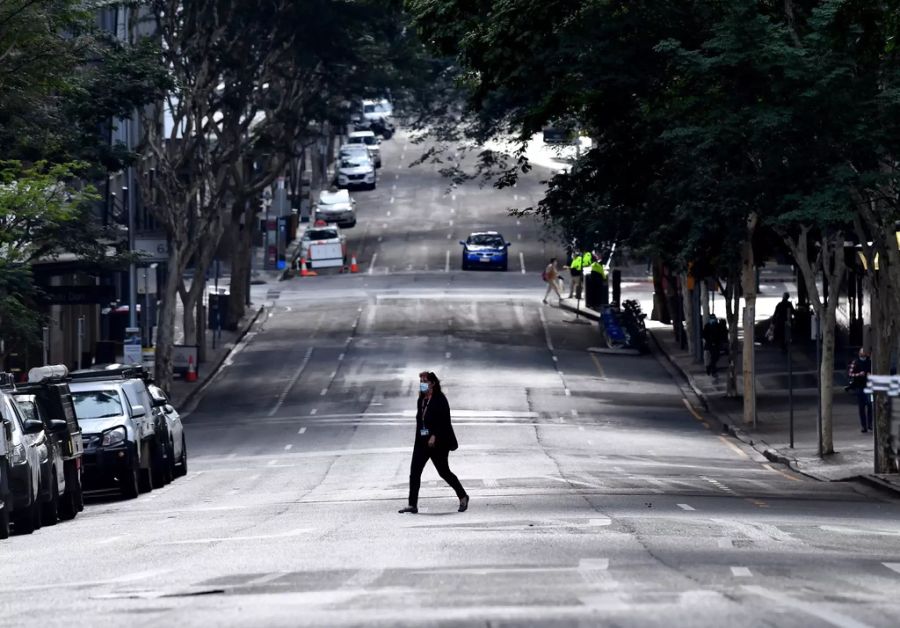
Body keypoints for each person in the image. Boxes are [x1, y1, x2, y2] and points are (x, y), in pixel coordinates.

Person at [399, 371, 469, 514]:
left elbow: (444, 421)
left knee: (444, 472)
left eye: (425, 381)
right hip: (421, 442)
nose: (422, 384)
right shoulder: (422, 400)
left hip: (438, 443)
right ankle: (412, 504)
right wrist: (419, 439)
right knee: (414, 473)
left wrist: (434, 435)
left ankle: (463, 496)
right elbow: (420, 420)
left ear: (433, 383)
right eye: (421, 382)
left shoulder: (440, 399)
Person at [848, 348, 873, 433]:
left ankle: (870, 424)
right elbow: (850, 374)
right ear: (859, 353)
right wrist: (859, 374)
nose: (863, 353)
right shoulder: (856, 362)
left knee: (870, 405)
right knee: (861, 407)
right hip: (860, 387)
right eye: (861, 351)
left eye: (864, 351)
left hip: (869, 387)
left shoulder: (870, 362)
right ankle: (864, 426)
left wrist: (870, 374)